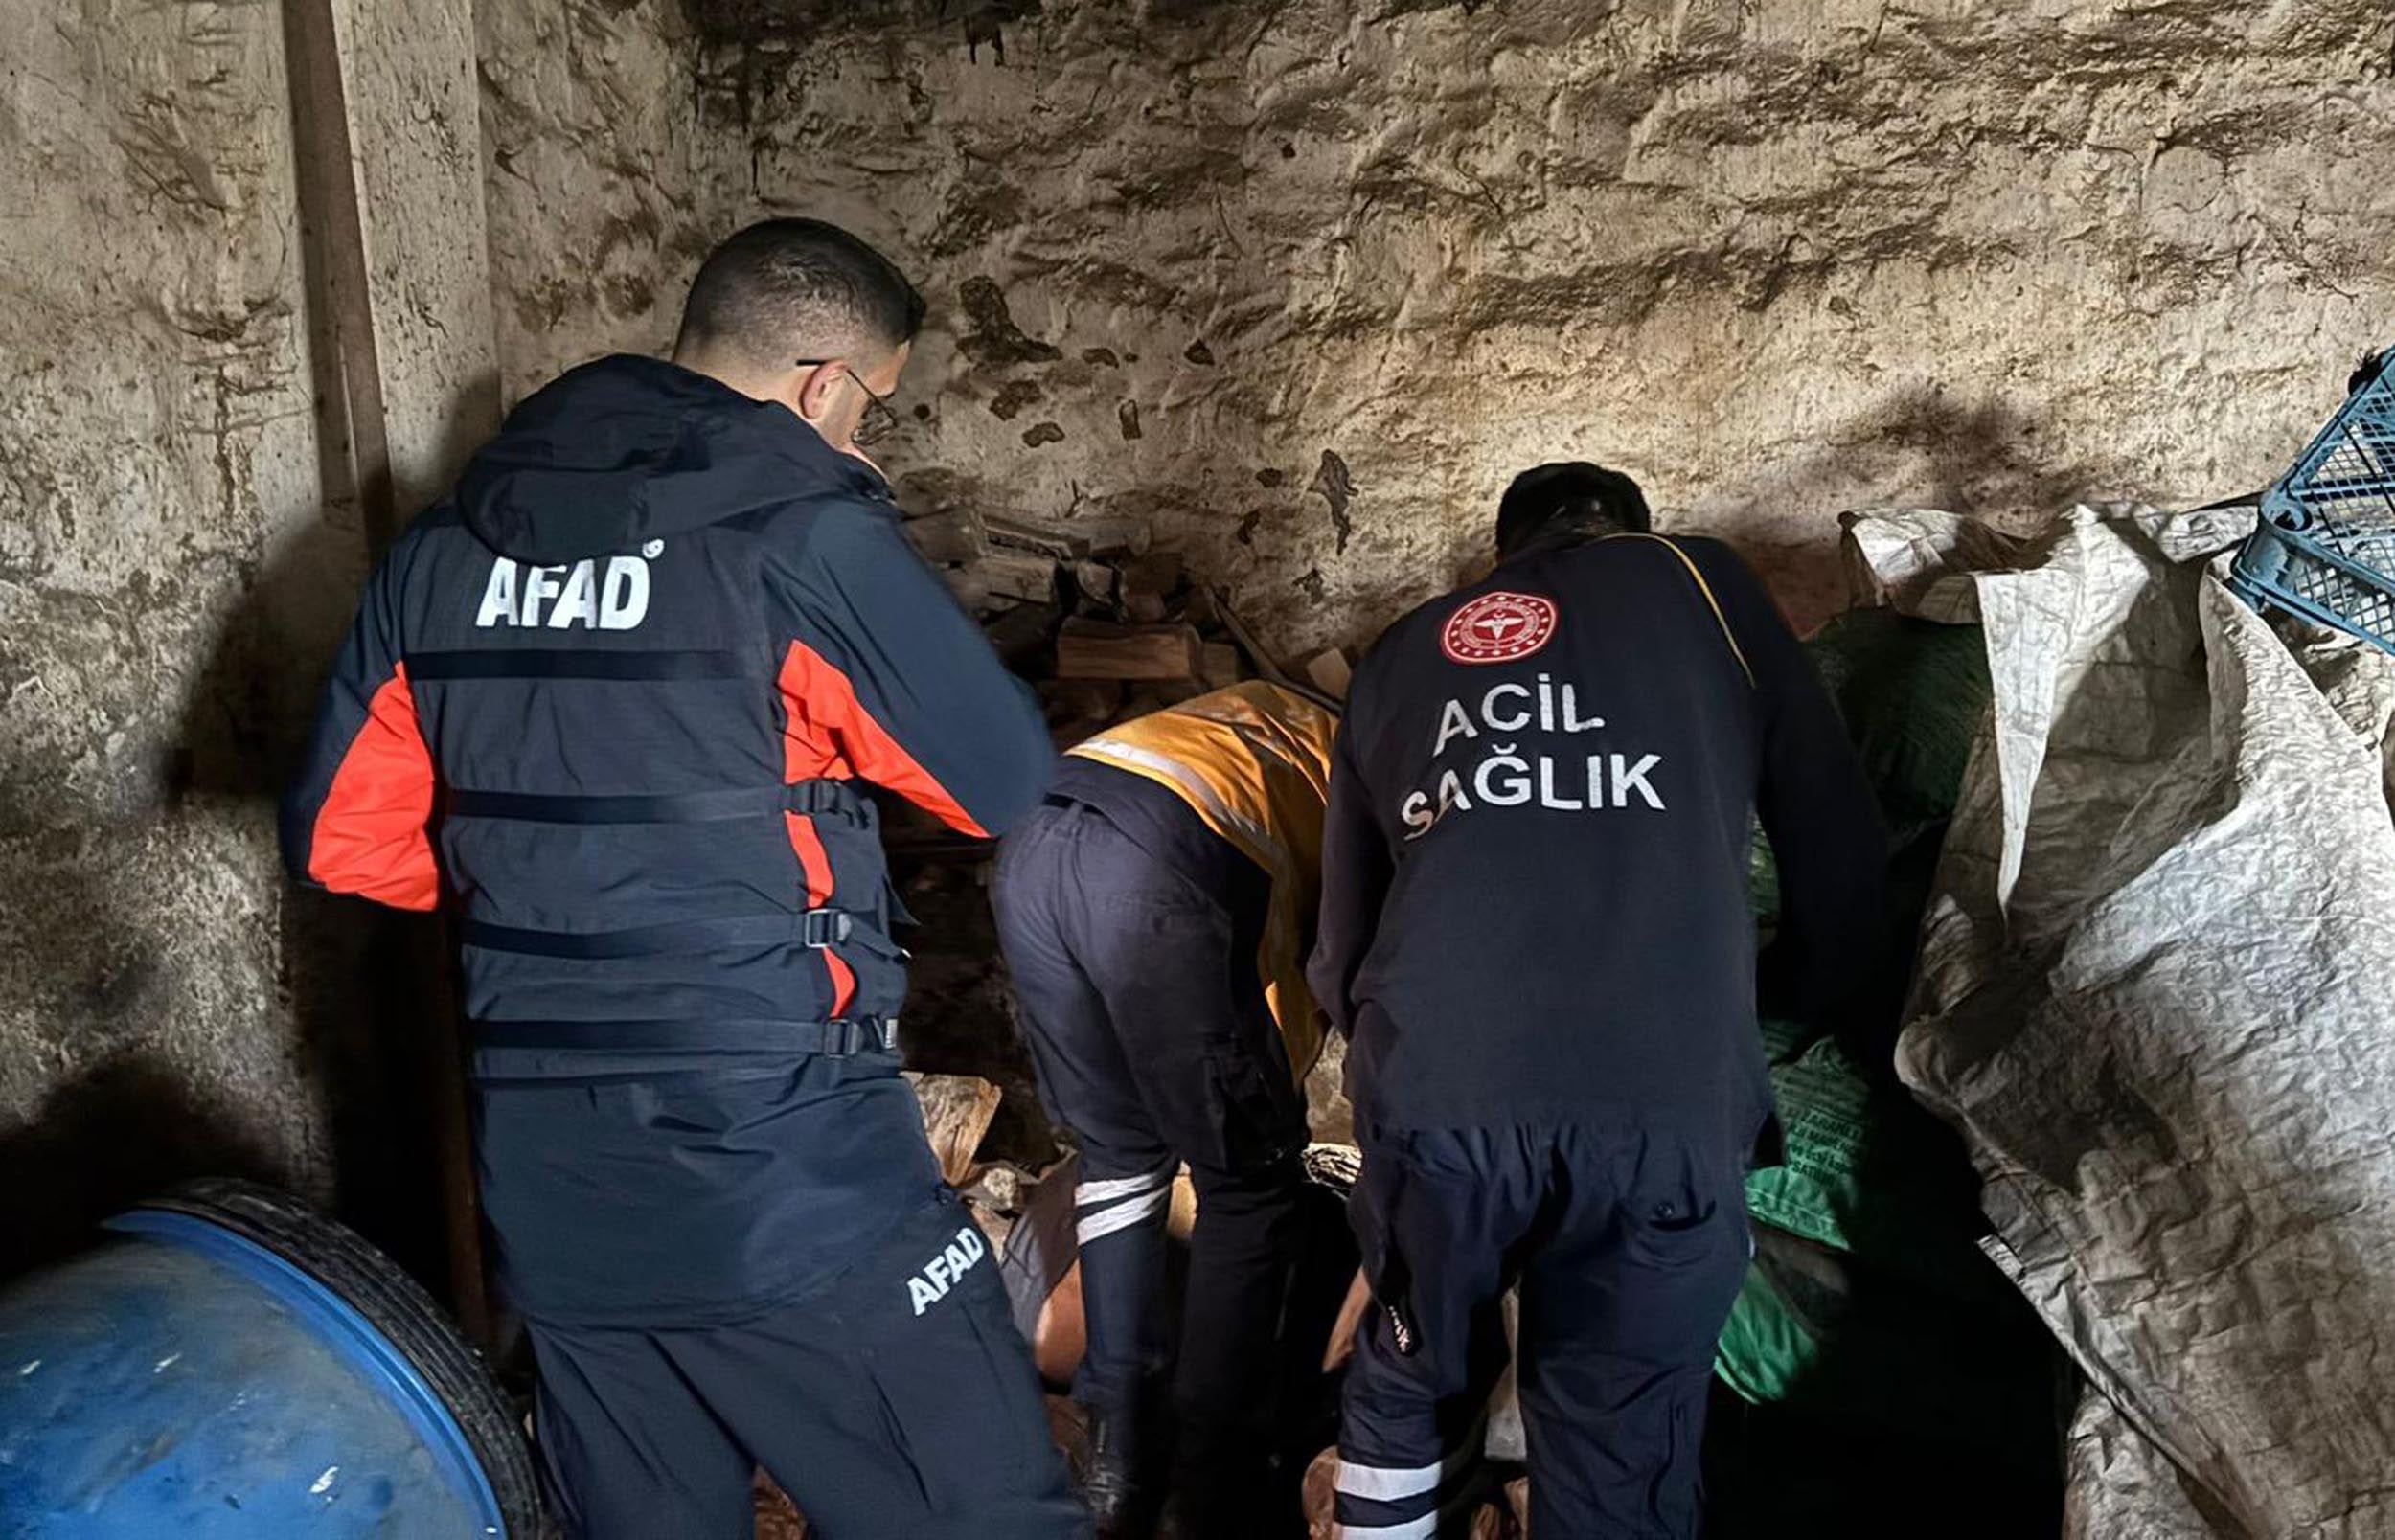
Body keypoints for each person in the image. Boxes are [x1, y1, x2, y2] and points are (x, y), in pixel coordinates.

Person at [282, 218, 1084, 1539]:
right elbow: (994, 780)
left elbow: (347, 844)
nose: (863, 434)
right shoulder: (802, 537)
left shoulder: (438, 553)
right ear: (826, 385)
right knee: (984, 1514)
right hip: (782, 1157)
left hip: (549, 1171)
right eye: (873, 405)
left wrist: (575, 880)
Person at [1308, 462, 1885, 1538]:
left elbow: (1342, 944)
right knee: (1616, 1434)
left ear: (1503, 554)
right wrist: (1768, 1011)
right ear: (1627, 531)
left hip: (1439, 1088)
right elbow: (1838, 852)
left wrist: (1408, 1071)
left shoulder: (1400, 647)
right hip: (1658, 1099)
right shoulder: (1701, 583)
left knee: (1409, 1379)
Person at [992, 680, 1339, 1538]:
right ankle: (1209, 1484)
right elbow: (1329, 961)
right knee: (1249, 1184)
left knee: (1118, 1155)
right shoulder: (1370, 774)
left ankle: (1117, 1455)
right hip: (1154, 867)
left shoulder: (1263, 717)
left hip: (1030, 846)